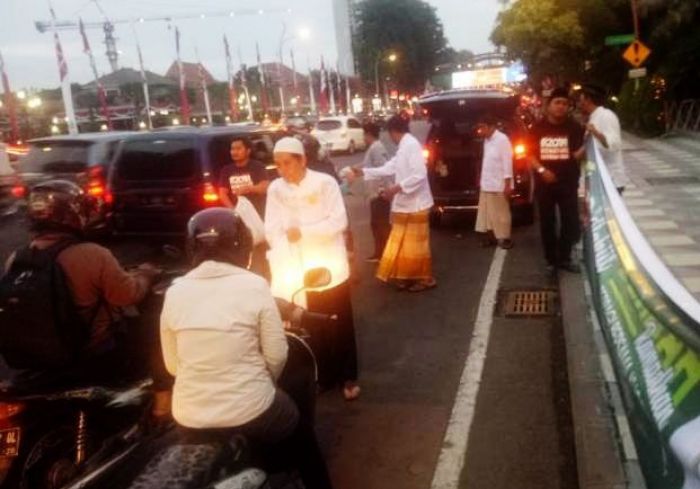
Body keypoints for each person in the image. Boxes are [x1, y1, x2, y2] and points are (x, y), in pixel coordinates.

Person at [160, 208, 333, 489]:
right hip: (252, 411)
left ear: (192, 247)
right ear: (241, 246)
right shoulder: (254, 285)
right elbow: (277, 354)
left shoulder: (175, 291)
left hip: (190, 416)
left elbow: (172, 365)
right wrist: (262, 381)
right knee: (303, 438)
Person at [2, 180, 159, 382]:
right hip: (94, 352)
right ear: (74, 213)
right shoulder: (92, 254)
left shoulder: (17, 258)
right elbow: (126, 295)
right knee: (147, 343)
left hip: (34, 357)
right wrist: (146, 274)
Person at [265, 137, 360, 401]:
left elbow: (338, 221)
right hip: (296, 267)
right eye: (278, 164)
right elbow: (271, 226)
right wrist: (282, 249)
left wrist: (303, 233)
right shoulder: (275, 189)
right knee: (312, 325)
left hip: (329, 266)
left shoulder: (324, 183)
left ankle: (348, 376)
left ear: (302, 160)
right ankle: (325, 375)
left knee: (339, 322)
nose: (282, 169)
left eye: (287, 163)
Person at [350, 115, 436, 292]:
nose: (388, 137)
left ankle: (425, 279)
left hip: (416, 204)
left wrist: (396, 189)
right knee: (405, 244)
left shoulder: (411, 145)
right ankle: (407, 276)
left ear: (393, 131)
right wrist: (363, 172)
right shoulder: (404, 146)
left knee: (416, 246)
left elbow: (419, 174)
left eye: (388, 133)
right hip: (406, 204)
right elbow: (389, 167)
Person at [529, 87, 586, 274]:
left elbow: (578, 153)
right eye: (557, 103)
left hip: (568, 182)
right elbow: (528, 154)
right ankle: (551, 260)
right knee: (547, 221)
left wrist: (588, 142)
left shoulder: (574, 127)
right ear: (548, 105)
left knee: (570, 220)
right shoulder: (537, 128)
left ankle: (565, 258)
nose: (561, 107)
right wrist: (542, 170)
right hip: (544, 184)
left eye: (565, 104)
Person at [578, 84, 629, 194]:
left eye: (581, 100)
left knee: (609, 211)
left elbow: (613, 144)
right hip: (596, 177)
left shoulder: (606, 115)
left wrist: (596, 133)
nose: (579, 104)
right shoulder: (592, 118)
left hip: (611, 179)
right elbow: (591, 151)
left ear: (588, 100)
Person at [475, 114, 514, 250]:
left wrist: (508, 184)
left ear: (491, 127)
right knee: (487, 214)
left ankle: (505, 238)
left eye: (482, 127)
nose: (480, 130)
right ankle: (491, 237)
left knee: (501, 213)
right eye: (479, 127)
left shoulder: (502, 140)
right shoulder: (487, 140)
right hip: (487, 183)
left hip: (499, 183)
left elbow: (507, 162)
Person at [361, 122, 391, 262]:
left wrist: (383, 190)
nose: (363, 138)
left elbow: (383, 169)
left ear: (368, 134)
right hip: (375, 193)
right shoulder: (374, 147)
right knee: (376, 224)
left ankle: (386, 253)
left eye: (364, 134)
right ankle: (380, 253)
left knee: (381, 224)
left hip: (379, 193)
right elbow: (368, 166)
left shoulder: (376, 148)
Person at [218, 137, 270, 217]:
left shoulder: (257, 166)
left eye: (238, 149)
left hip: (258, 213)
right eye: (232, 149)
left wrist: (248, 189)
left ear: (248, 151)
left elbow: (265, 187)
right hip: (237, 214)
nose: (234, 152)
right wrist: (233, 211)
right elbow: (222, 194)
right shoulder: (226, 170)